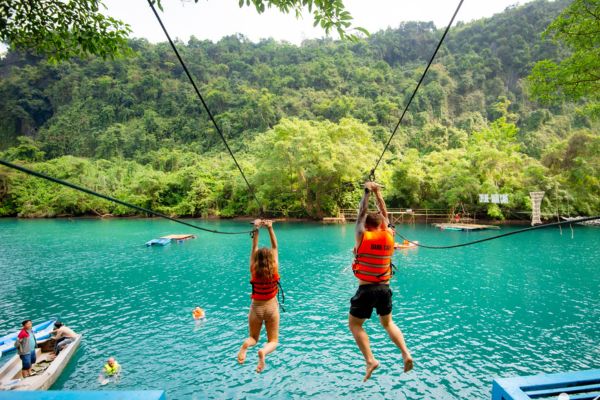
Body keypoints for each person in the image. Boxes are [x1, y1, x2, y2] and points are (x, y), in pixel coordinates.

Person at [349, 182, 413, 382]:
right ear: (383, 225)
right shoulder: (389, 235)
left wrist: (367, 192)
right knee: (388, 323)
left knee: (355, 325)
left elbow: (361, 212)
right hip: (384, 289)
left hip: (366, 290)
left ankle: (370, 360)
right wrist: (377, 192)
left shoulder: (362, 236)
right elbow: (384, 212)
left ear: (366, 225)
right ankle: (405, 352)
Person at [237, 219, 280, 373]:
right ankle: (263, 353)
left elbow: (254, 246)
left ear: (256, 261)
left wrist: (256, 227)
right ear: (270, 260)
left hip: (256, 308)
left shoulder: (253, 269)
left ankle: (246, 346)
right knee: (273, 341)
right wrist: (270, 227)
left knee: (253, 338)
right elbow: (274, 246)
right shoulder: (274, 269)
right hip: (271, 308)